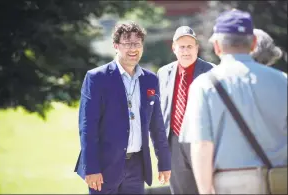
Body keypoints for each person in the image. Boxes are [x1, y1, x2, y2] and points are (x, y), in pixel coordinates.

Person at [179, 9, 287, 194]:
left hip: (231, 184)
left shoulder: (204, 85)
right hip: (280, 181)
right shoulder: (283, 80)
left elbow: (201, 146)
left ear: (217, 46)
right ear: (253, 43)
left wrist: (205, 191)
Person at [74, 21, 171, 194]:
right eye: (127, 43)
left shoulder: (150, 79)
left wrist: (164, 162)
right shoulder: (97, 78)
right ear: (116, 46)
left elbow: (156, 125)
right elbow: (87, 127)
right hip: (104, 167)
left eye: (137, 44)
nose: (133, 49)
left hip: (137, 167)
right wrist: (91, 168)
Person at [157, 26, 214, 194]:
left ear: (197, 48)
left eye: (190, 46)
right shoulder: (163, 73)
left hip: (201, 139)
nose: (186, 51)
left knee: (208, 188)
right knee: (181, 190)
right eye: (181, 47)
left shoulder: (212, 71)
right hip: (173, 142)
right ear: (174, 48)